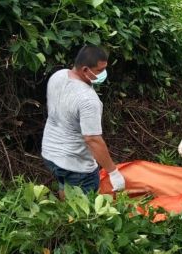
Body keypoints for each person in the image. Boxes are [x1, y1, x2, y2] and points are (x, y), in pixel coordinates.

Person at [42, 45, 125, 198]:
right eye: (100, 70)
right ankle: (77, 221)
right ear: (86, 70)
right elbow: (92, 139)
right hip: (76, 164)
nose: (104, 74)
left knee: (64, 186)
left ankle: (64, 214)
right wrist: (113, 172)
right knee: (85, 211)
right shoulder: (88, 99)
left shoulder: (58, 76)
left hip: (50, 154)